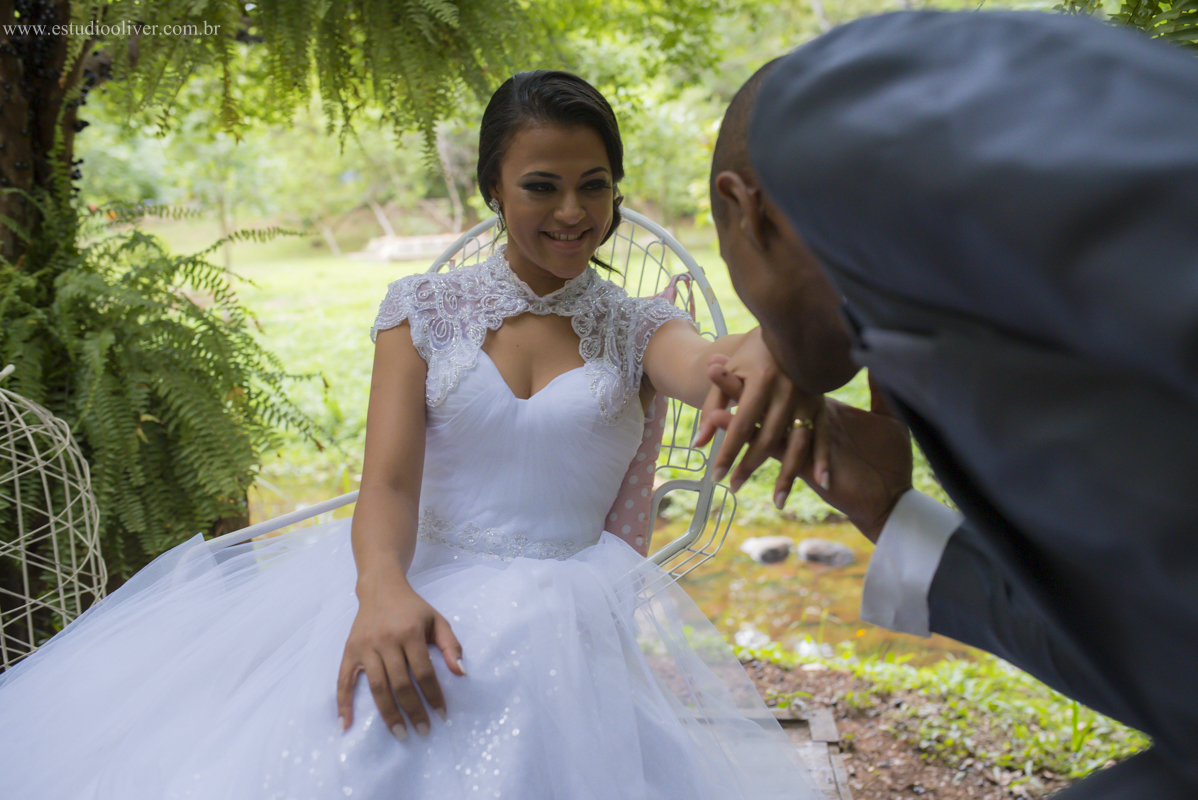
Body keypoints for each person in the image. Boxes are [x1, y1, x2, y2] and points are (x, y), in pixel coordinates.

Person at [0, 70, 824, 800]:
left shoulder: (642, 327)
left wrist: (778, 320)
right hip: (414, 573)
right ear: (493, 191)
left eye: (594, 186)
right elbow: (388, 485)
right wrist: (382, 590)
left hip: (563, 609)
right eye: (542, 186)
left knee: (500, 701)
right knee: (353, 731)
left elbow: (712, 363)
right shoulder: (421, 312)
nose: (573, 212)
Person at [698, 10, 1198, 799]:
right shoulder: (979, 327)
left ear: (744, 210)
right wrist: (890, 512)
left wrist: (800, 322)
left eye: (736, 269)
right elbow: (1171, 667)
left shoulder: (821, 114)